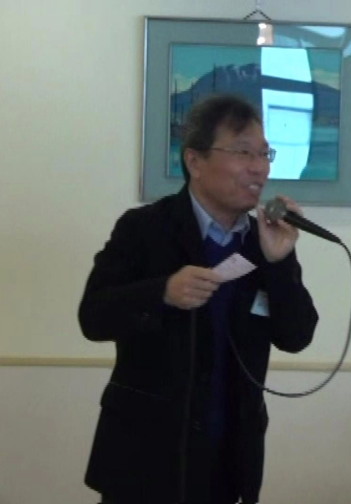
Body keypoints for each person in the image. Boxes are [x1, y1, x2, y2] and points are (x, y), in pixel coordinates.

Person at [78, 94, 318, 504]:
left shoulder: (263, 239)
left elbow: (296, 336)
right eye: (243, 152)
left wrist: (279, 263)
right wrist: (162, 293)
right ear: (195, 161)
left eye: (264, 154)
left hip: (229, 460)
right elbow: (93, 317)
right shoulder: (144, 228)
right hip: (143, 458)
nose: (259, 167)